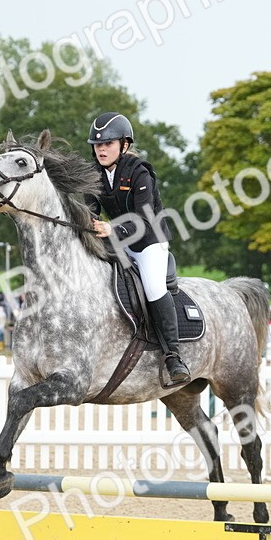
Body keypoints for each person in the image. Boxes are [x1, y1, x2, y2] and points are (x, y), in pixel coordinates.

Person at [84, 112, 189, 384]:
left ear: (124, 145)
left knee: (154, 287)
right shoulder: (94, 174)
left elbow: (145, 219)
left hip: (148, 242)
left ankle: (173, 356)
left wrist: (112, 229)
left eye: (107, 144)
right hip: (117, 241)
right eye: (97, 145)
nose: (101, 149)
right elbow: (90, 211)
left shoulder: (140, 171)